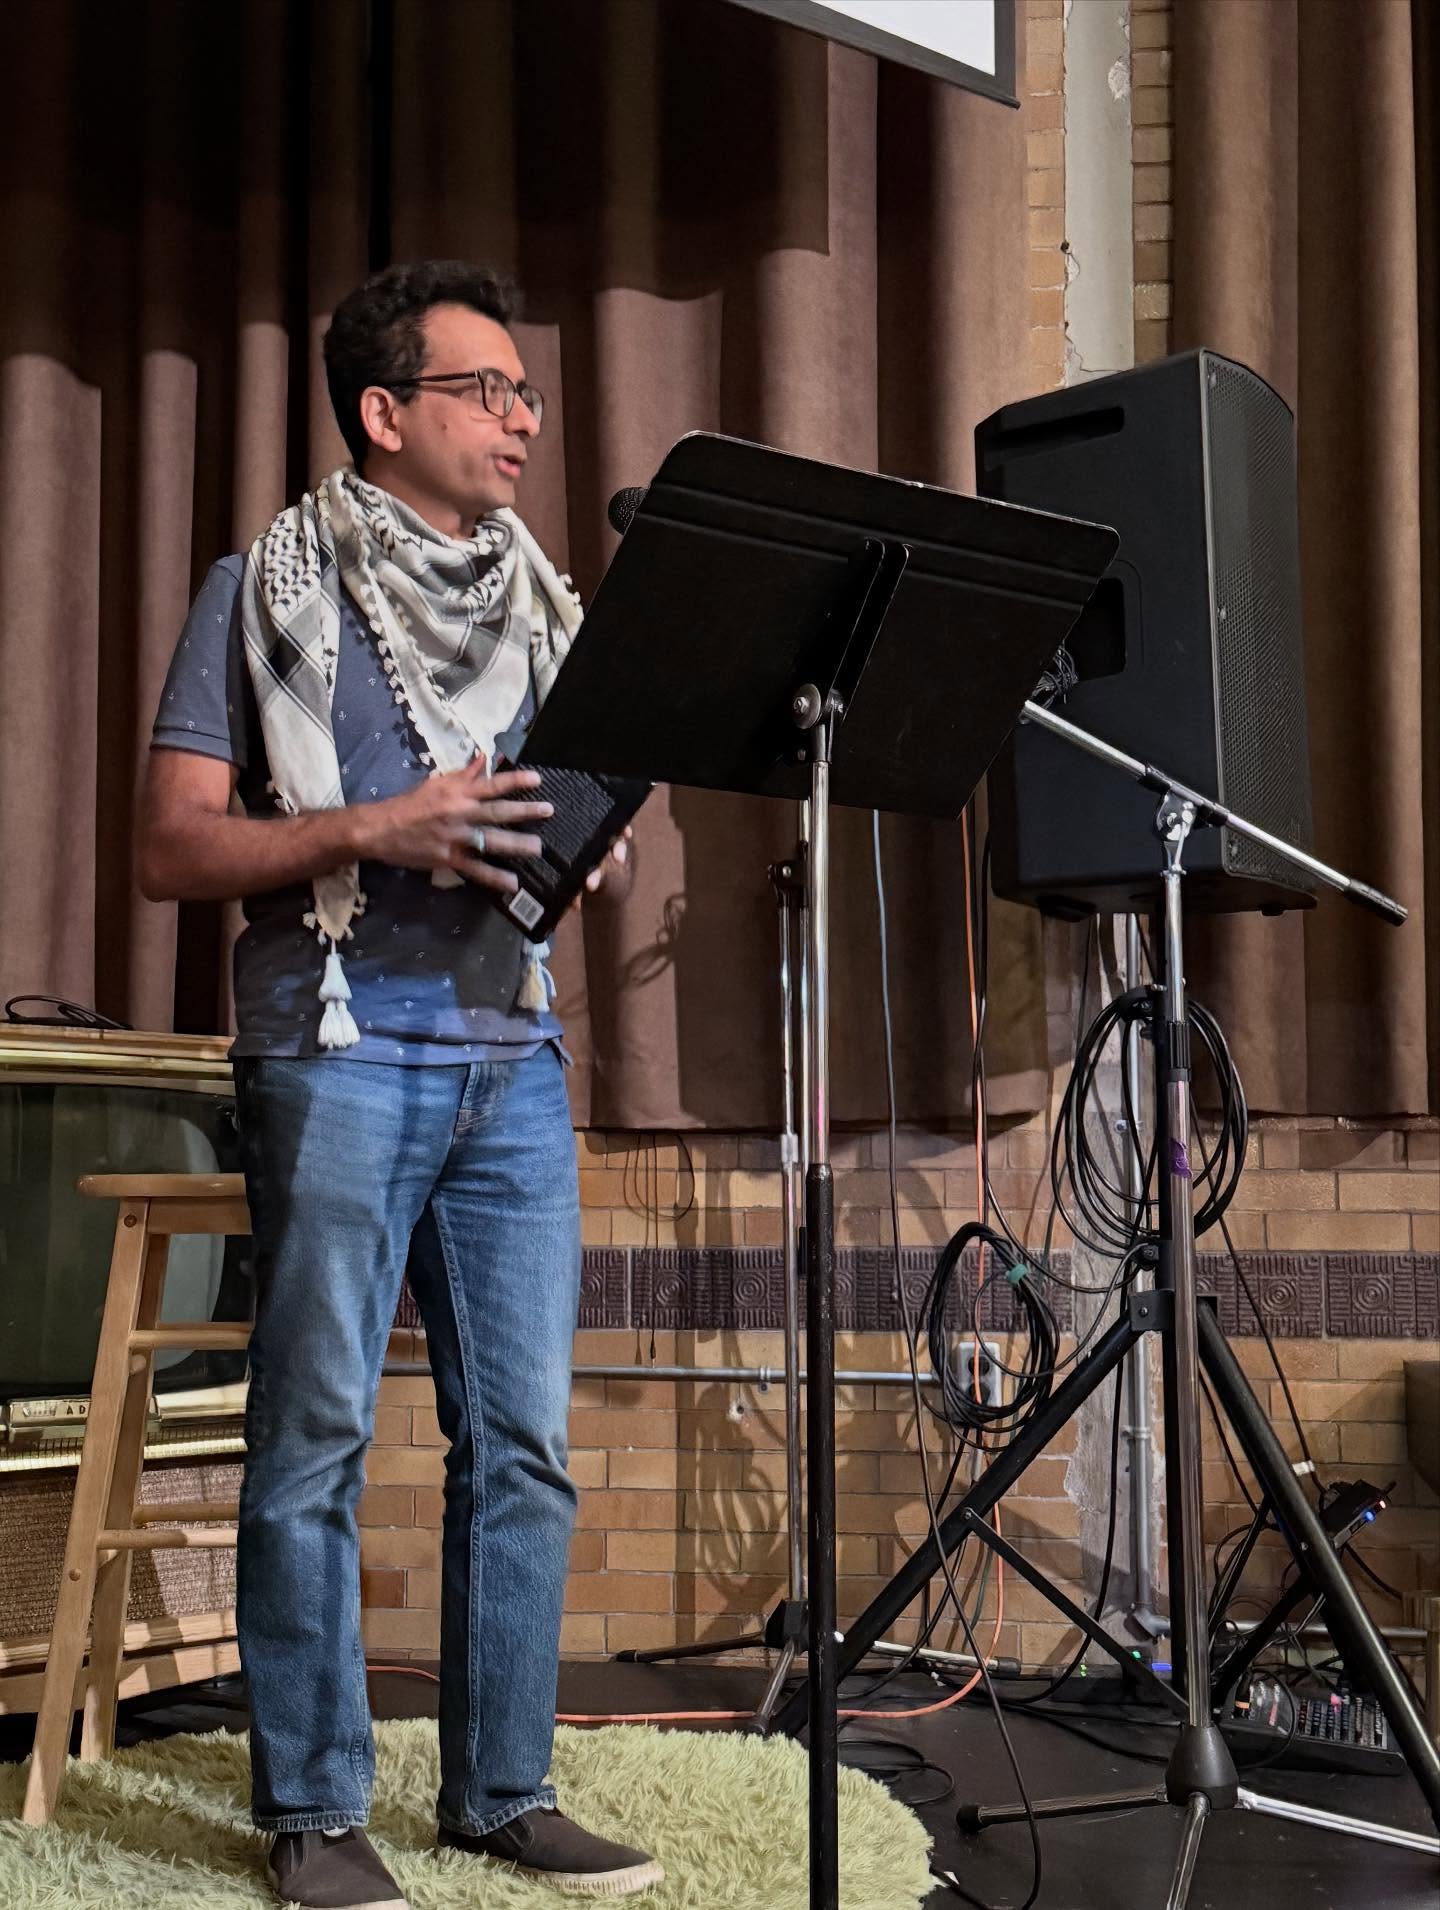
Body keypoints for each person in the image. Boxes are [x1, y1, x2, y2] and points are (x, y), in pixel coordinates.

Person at [139, 260, 661, 1909]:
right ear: (385, 412)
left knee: (523, 1440)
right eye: (485, 389)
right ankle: (315, 1808)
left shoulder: (551, 606)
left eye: (523, 393)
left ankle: (502, 1791)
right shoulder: (261, 585)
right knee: (317, 1436)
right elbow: (169, 845)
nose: (521, 418)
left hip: (515, 1056)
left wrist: (586, 841)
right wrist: (378, 825)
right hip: (339, 1049)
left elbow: (566, 828)